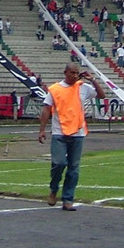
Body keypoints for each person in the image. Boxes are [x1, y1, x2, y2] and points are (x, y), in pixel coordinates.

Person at [37, 64, 106, 211]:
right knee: (59, 163)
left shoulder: (83, 87)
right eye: (72, 73)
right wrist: (42, 130)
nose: (75, 76)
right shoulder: (55, 89)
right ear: (65, 73)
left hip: (78, 133)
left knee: (73, 168)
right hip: (59, 132)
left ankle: (68, 198)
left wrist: (92, 79)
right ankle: (54, 189)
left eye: (77, 73)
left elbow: (101, 95)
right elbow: (45, 110)